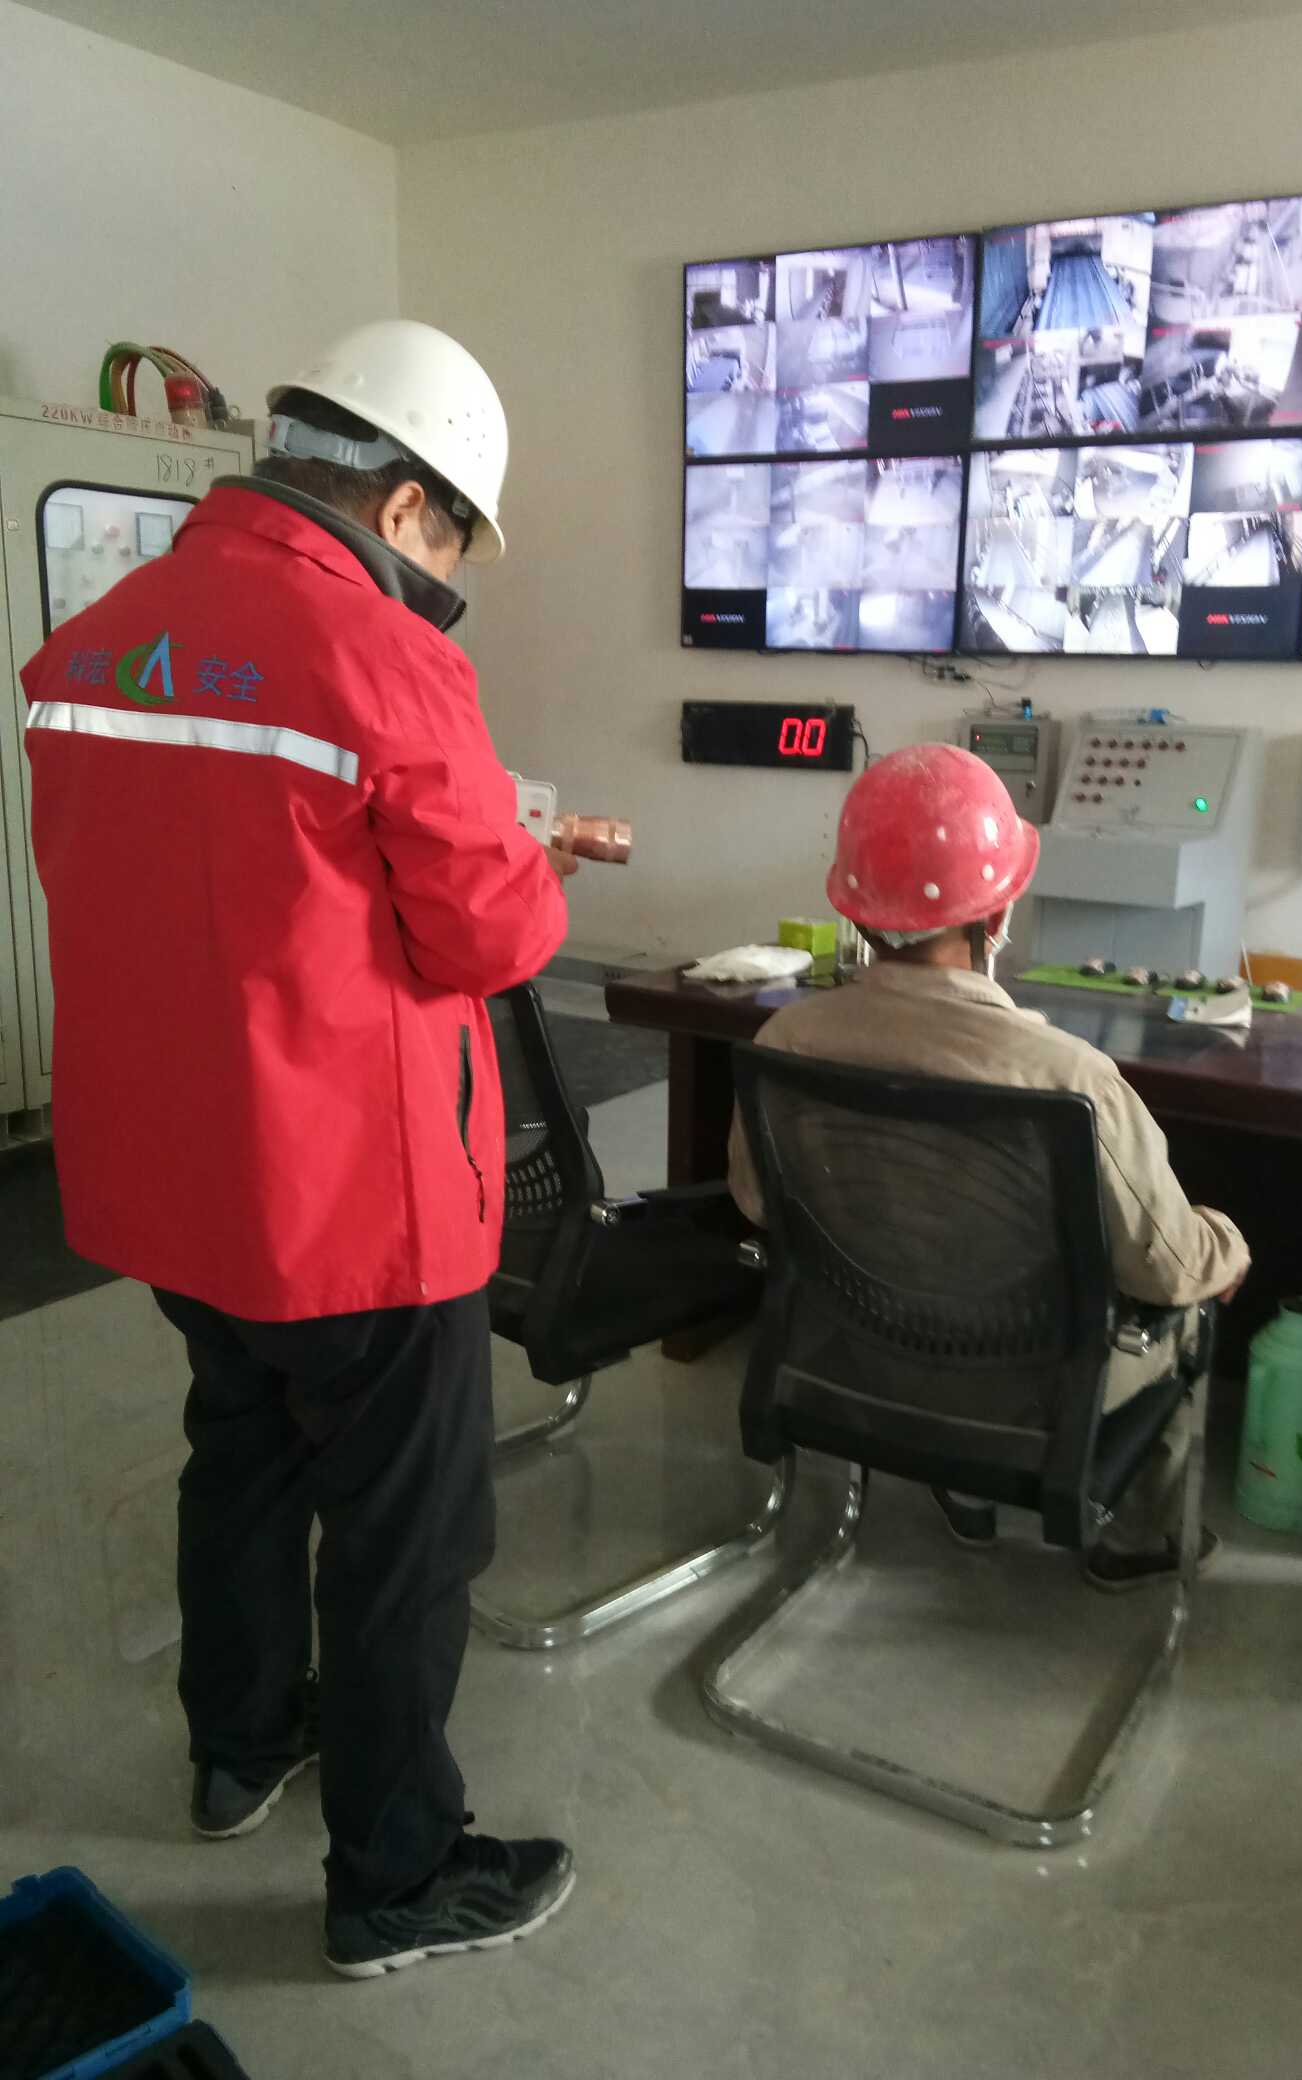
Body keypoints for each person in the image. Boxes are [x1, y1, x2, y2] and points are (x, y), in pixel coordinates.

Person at [23, 320, 577, 1977]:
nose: (444, 581)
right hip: (353, 1200)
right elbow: (489, 936)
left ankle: (240, 1745)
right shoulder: (385, 658)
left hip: (173, 1185)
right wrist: (535, 855)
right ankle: (398, 1877)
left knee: (244, 1455)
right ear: (406, 506)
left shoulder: (98, 644)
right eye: (453, 547)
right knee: (408, 1532)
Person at [728, 743, 1248, 1588]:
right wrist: (1227, 1244)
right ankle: (1135, 1541)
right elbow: (1166, 1268)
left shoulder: (785, 1042)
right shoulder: (1069, 1077)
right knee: (1190, 1310)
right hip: (1028, 1387)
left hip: (851, 1354)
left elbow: (757, 1202)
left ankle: (961, 1489)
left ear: (856, 909)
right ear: (998, 913)